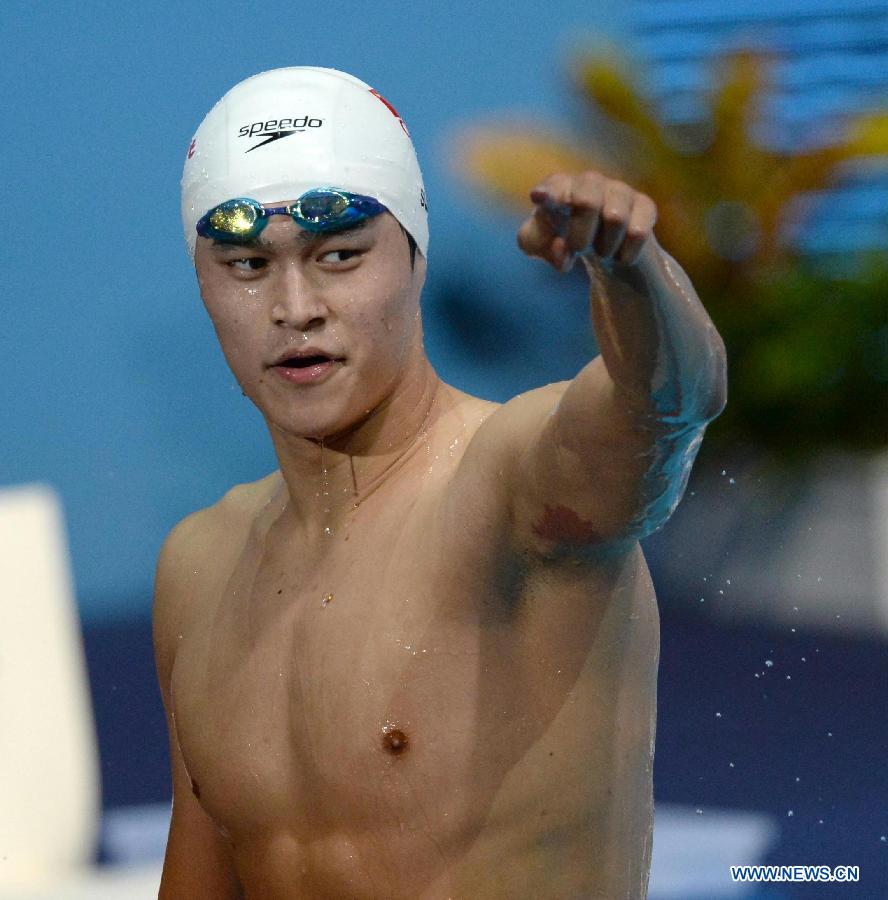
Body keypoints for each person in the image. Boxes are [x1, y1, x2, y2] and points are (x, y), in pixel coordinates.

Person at [153, 66, 727, 899]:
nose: (295, 306)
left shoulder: (510, 486)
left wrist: (632, 273)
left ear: (415, 259)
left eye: (340, 255)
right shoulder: (199, 567)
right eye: (246, 266)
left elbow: (668, 406)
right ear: (204, 285)